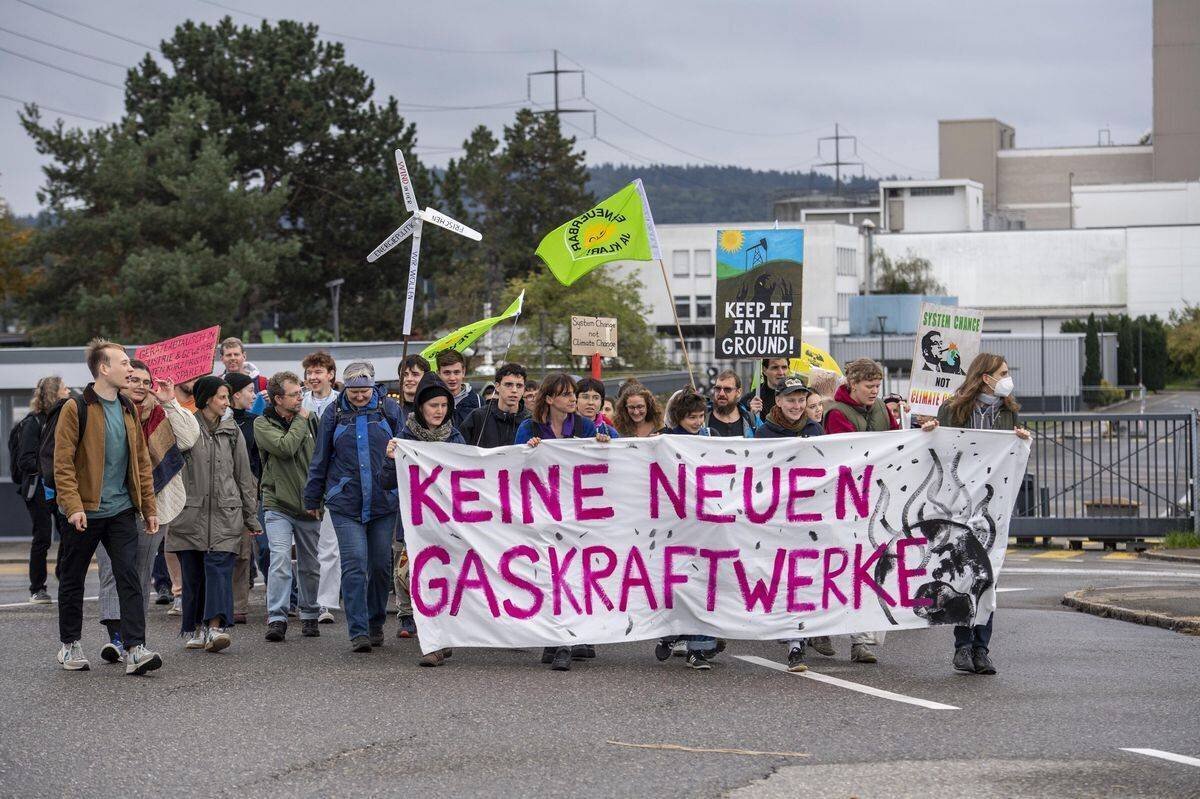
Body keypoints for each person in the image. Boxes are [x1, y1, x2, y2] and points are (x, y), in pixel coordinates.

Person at [817, 358, 937, 664]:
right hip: (847, 503)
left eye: (877, 386)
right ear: (852, 384)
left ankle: (865, 640)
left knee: (875, 569)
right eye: (869, 386)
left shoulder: (882, 410)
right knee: (844, 568)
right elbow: (846, 452)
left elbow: (899, 445)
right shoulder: (835, 413)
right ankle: (821, 626)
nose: (874, 391)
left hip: (879, 501)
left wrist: (920, 432)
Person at [53, 339, 162, 675]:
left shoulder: (128, 407)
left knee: (129, 576)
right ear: (103, 368)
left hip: (120, 511)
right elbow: (63, 464)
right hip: (84, 511)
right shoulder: (76, 407)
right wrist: (72, 506)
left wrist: (149, 506)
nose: (130, 369)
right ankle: (70, 645)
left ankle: (134, 648)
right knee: (71, 578)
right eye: (124, 363)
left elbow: (141, 462)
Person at [94, 362, 199, 663]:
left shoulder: (160, 413)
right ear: (120, 383)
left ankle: (133, 640)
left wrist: (170, 402)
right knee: (111, 571)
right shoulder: (107, 411)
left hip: (155, 503)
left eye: (146, 381)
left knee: (138, 574)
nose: (140, 385)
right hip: (110, 504)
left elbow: (191, 438)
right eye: (133, 379)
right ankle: (116, 638)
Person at [937, 353, 1031, 677]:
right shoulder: (952, 410)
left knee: (989, 577)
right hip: (962, 503)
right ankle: (962, 646)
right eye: (1002, 372)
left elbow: (1012, 459)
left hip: (992, 509)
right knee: (964, 574)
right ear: (985, 376)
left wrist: (1020, 443)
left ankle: (982, 647)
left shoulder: (1009, 413)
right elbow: (941, 450)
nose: (1007, 377)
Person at [303, 361, 402, 653]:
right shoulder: (334, 414)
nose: (360, 396)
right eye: (355, 391)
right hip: (345, 502)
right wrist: (313, 497)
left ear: (373, 388)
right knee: (355, 565)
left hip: (384, 501)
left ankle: (376, 623)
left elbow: (408, 448)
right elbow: (320, 458)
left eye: (365, 391)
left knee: (380, 566)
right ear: (345, 388)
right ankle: (358, 630)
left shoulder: (389, 410)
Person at [516, 374, 611, 671]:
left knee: (569, 576)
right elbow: (510, 465)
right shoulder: (528, 428)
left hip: (575, 515)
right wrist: (527, 451)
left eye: (574, 394)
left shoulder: (583, 427)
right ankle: (555, 639)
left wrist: (602, 445)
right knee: (548, 576)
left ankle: (563, 643)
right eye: (567, 394)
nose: (574, 399)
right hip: (541, 514)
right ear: (549, 399)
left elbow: (600, 463)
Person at [169, 376, 261, 654]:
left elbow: (244, 476)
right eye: (222, 396)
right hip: (190, 513)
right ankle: (196, 627)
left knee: (219, 571)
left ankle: (216, 627)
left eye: (227, 396)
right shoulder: (185, 427)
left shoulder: (232, 431)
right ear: (207, 398)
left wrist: (250, 515)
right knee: (194, 574)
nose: (226, 402)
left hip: (226, 513)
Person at [390, 372, 466, 665]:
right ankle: (431, 641)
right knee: (416, 580)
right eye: (433, 405)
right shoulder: (405, 438)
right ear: (421, 406)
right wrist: (390, 458)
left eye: (443, 406)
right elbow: (389, 482)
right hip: (415, 525)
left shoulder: (456, 437)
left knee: (443, 582)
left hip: (447, 524)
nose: (438, 411)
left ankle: (439, 639)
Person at [748, 376, 822, 672]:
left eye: (801, 399)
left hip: (807, 516)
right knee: (778, 575)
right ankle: (783, 626)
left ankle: (796, 643)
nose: (796, 405)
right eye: (790, 399)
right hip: (775, 517)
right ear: (777, 401)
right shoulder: (764, 433)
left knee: (801, 576)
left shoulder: (816, 429)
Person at [654, 389, 720, 671]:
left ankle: (699, 649)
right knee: (677, 586)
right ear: (679, 417)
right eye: (691, 417)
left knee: (703, 586)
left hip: (703, 525)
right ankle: (671, 635)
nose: (697, 421)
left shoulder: (710, 438)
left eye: (700, 416)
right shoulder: (664, 441)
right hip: (673, 526)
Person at [255, 371, 324, 642]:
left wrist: (319, 498)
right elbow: (285, 448)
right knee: (280, 559)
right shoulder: (263, 424)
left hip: (309, 505)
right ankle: (277, 617)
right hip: (277, 504)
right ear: (277, 399)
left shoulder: (312, 420)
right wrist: (300, 420)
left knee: (310, 564)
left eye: (300, 392)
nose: (300, 398)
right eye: (295, 394)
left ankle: (309, 613)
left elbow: (321, 459)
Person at [15, 376, 70, 604]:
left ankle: (63, 575)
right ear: (54, 393)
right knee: (43, 537)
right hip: (38, 488)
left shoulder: (62, 419)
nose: (68, 391)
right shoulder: (33, 423)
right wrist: (48, 467)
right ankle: (37, 588)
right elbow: (24, 460)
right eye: (65, 388)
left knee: (68, 533)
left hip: (58, 486)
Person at [303, 351, 342, 625]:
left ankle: (325, 602)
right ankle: (304, 598)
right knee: (305, 547)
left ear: (330, 374)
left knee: (329, 546)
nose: (313, 377)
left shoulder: (341, 403)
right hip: (303, 480)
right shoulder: (298, 402)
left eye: (319, 372)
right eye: (310, 373)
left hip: (333, 483)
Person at [226, 371, 262, 624]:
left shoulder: (255, 421)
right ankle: (217, 601)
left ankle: (239, 604)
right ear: (235, 394)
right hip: (219, 487)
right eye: (250, 390)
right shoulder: (218, 421)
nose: (254, 395)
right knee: (219, 549)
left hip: (248, 486)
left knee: (243, 549)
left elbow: (260, 458)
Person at [459, 362, 530, 448]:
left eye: (519, 386)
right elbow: (460, 450)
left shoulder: (531, 421)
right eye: (508, 385)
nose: (514, 390)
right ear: (497, 386)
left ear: (524, 389)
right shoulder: (478, 417)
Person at [218, 336, 269, 413]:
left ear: (244, 356)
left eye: (236, 354)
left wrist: (272, 400)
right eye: (228, 355)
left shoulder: (263, 382)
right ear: (222, 358)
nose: (232, 358)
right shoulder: (217, 384)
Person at [435, 349, 480, 427]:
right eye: (447, 373)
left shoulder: (479, 402)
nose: (452, 378)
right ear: (438, 374)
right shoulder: (430, 402)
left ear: (463, 372)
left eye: (456, 372)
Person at [707, 369, 754, 438]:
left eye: (727, 389)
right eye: (718, 388)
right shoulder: (702, 419)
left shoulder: (751, 420)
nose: (721, 394)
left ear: (738, 392)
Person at [396, 354, 430, 418]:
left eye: (415, 374)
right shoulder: (391, 412)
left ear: (426, 378)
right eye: (404, 374)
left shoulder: (434, 410)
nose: (409, 379)